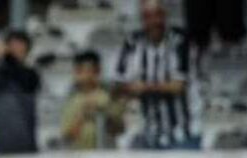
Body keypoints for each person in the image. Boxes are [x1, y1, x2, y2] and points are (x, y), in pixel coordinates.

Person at [115, 0, 202, 150]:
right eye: (148, 16)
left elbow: (178, 86)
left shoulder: (181, 41)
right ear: (142, 19)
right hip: (145, 133)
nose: (154, 21)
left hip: (182, 133)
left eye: (158, 15)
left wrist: (144, 87)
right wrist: (130, 88)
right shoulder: (132, 42)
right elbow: (120, 84)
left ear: (165, 16)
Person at [0, 30, 40, 153]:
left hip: (24, 142)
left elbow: (24, 82)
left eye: (20, 46)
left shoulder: (30, 74)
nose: (15, 50)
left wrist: (8, 62)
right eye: (12, 46)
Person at [61, 50, 126, 150]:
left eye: (88, 70)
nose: (83, 75)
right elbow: (67, 137)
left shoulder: (109, 97)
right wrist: (82, 116)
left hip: (107, 157)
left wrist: (103, 114)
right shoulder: (71, 100)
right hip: (79, 157)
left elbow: (119, 130)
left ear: (97, 71)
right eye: (79, 71)